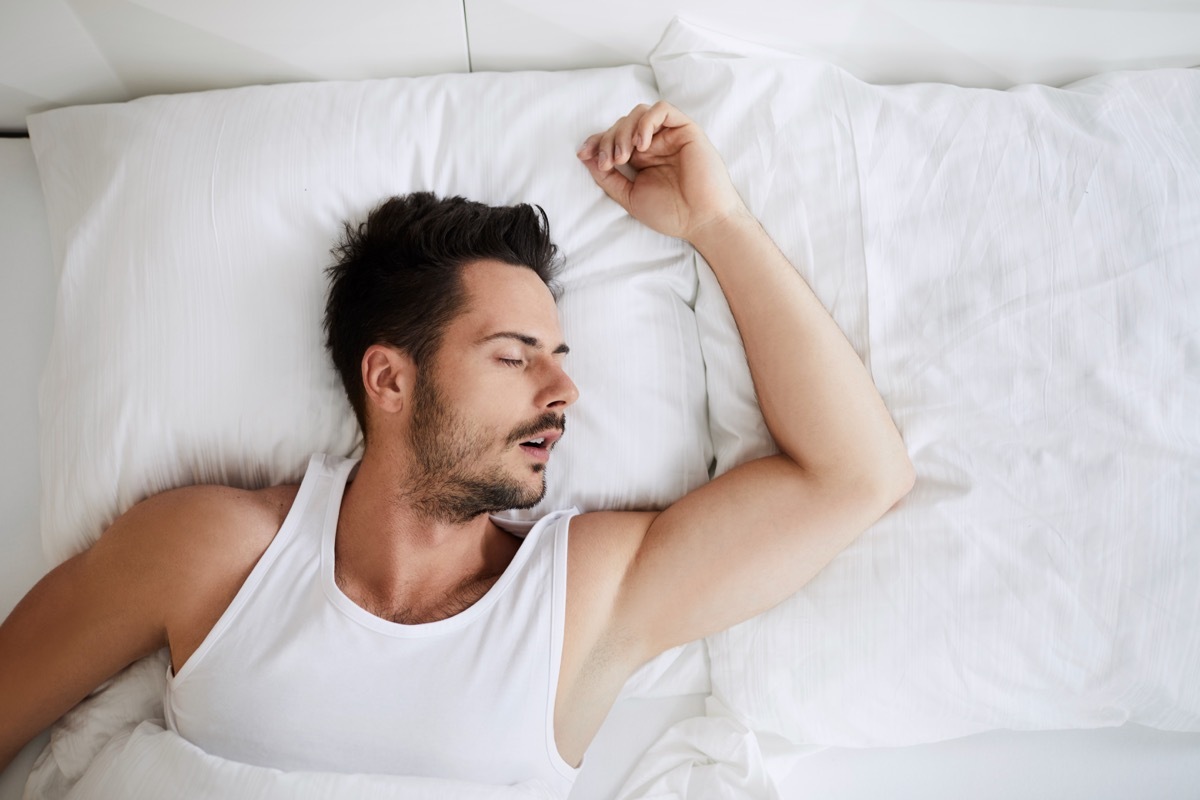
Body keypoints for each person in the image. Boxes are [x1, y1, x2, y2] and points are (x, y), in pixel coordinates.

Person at [0, 102, 914, 792]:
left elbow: (856, 476)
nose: (564, 392)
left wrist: (718, 224)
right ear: (389, 379)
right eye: (516, 358)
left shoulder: (581, 596)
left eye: (560, 359)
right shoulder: (211, 550)